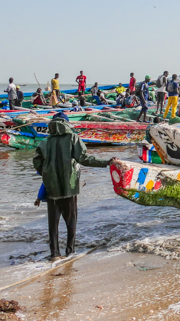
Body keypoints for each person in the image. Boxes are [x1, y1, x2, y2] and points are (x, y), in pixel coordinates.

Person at [33, 112, 110, 261]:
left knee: (53, 223)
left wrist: (46, 173)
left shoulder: (45, 142)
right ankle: (70, 251)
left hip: (51, 188)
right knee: (71, 221)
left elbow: (36, 162)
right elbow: (84, 158)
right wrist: (106, 162)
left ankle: (55, 253)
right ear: (67, 124)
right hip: (69, 186)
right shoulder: (73, 138)